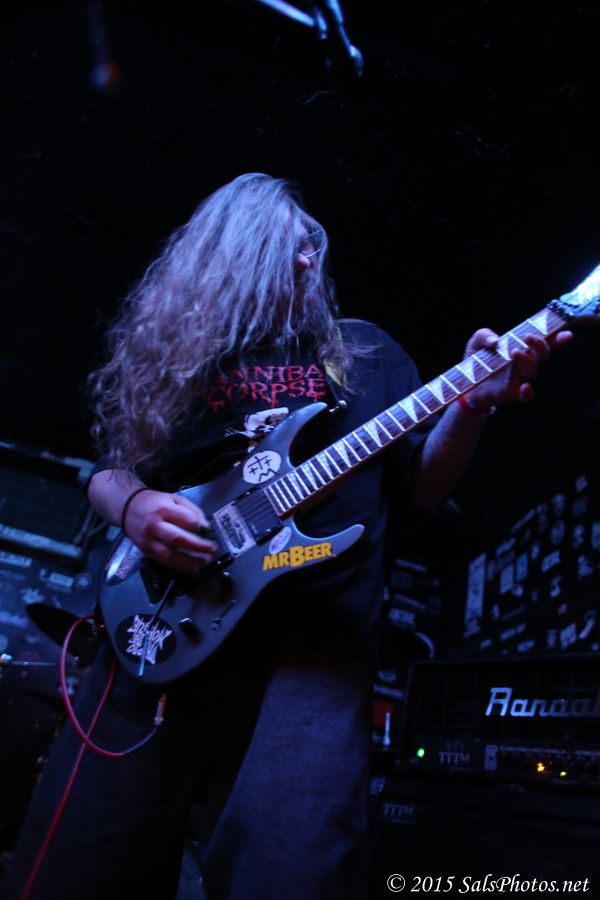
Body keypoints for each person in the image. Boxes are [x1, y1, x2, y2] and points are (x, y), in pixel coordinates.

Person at [2, 173, 571, 900]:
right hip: (165, 622)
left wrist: (471, 410)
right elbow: (111, 473)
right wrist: (137, 507)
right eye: (288, 244)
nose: (310, 258)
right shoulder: (185, 357)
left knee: (292, 866)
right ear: (233, 254)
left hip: (315, 650)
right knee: (86, 859)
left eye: (313, 246)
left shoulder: (365, 354)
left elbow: (423, 487)